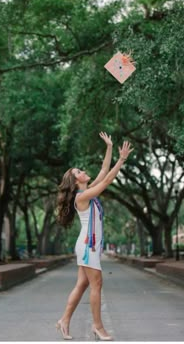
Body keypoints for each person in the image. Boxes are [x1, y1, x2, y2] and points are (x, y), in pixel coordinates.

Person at [56, 132, 133, 340]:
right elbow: (107, 179)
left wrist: (109, 148)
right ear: (75, 181)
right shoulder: (82, 197)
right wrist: (122, 159)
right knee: (96, 283)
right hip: (87, 246)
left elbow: (103, 171)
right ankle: (98, 326)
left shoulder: (87, 191)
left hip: (90, 246)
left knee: (82, 285)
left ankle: (64, 320)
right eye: (79, 171)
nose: (83, 171)